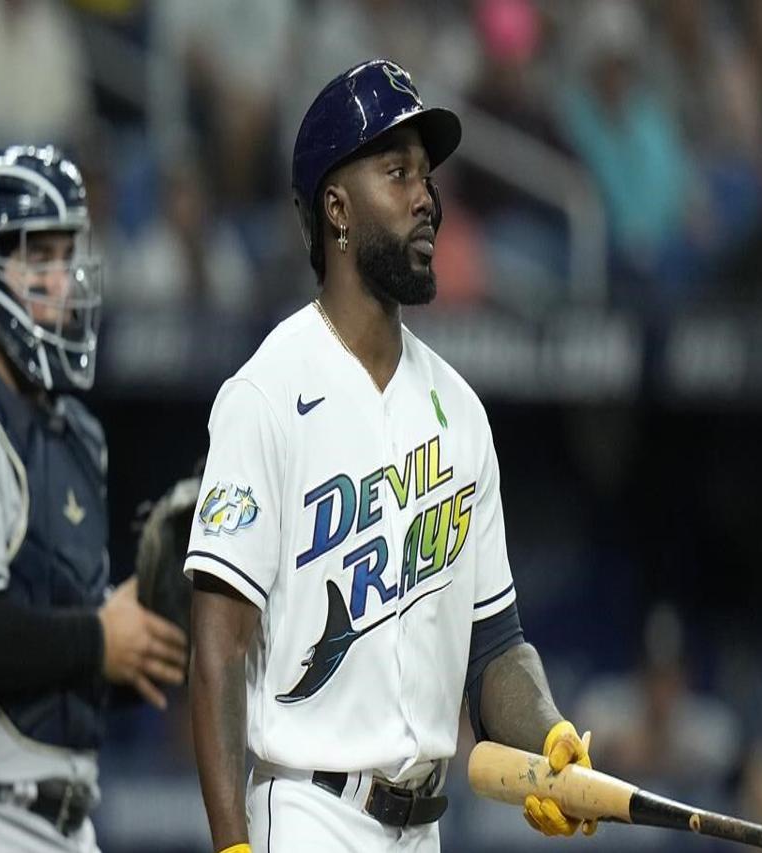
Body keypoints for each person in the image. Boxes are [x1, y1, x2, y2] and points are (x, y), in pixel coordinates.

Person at [186, 59, 595, 853]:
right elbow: (217, 646)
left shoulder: (459, 411)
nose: (426, 197)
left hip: (423, 826)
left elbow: (495, 643)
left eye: (427, 175)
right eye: (396, 171)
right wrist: (230, 846)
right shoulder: (267, 393)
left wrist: (549, 740)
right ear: (336, 208)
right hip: (308, 812)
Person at [0, 144, 188, 852]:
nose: (63, 277)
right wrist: (101, 637)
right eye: (37, 256)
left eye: (67, 252)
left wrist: (136, 641)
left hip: (68, 818)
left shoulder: (77, 432)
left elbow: (58, 647)